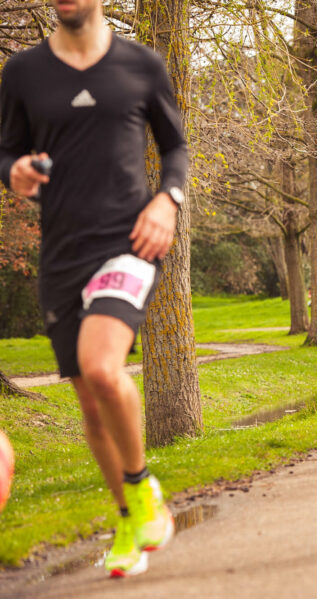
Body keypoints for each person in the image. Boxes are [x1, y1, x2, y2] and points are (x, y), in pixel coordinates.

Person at [0, 0, 185, 577]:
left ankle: (141, 488)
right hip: (61, 255)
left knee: (103, 369)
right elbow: (6, 149)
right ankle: (130, 519)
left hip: (128, 241)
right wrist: (14, 171)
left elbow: (176, 148)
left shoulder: (143, 64)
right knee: (90, 401)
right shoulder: (24, 72)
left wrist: (167, 200)